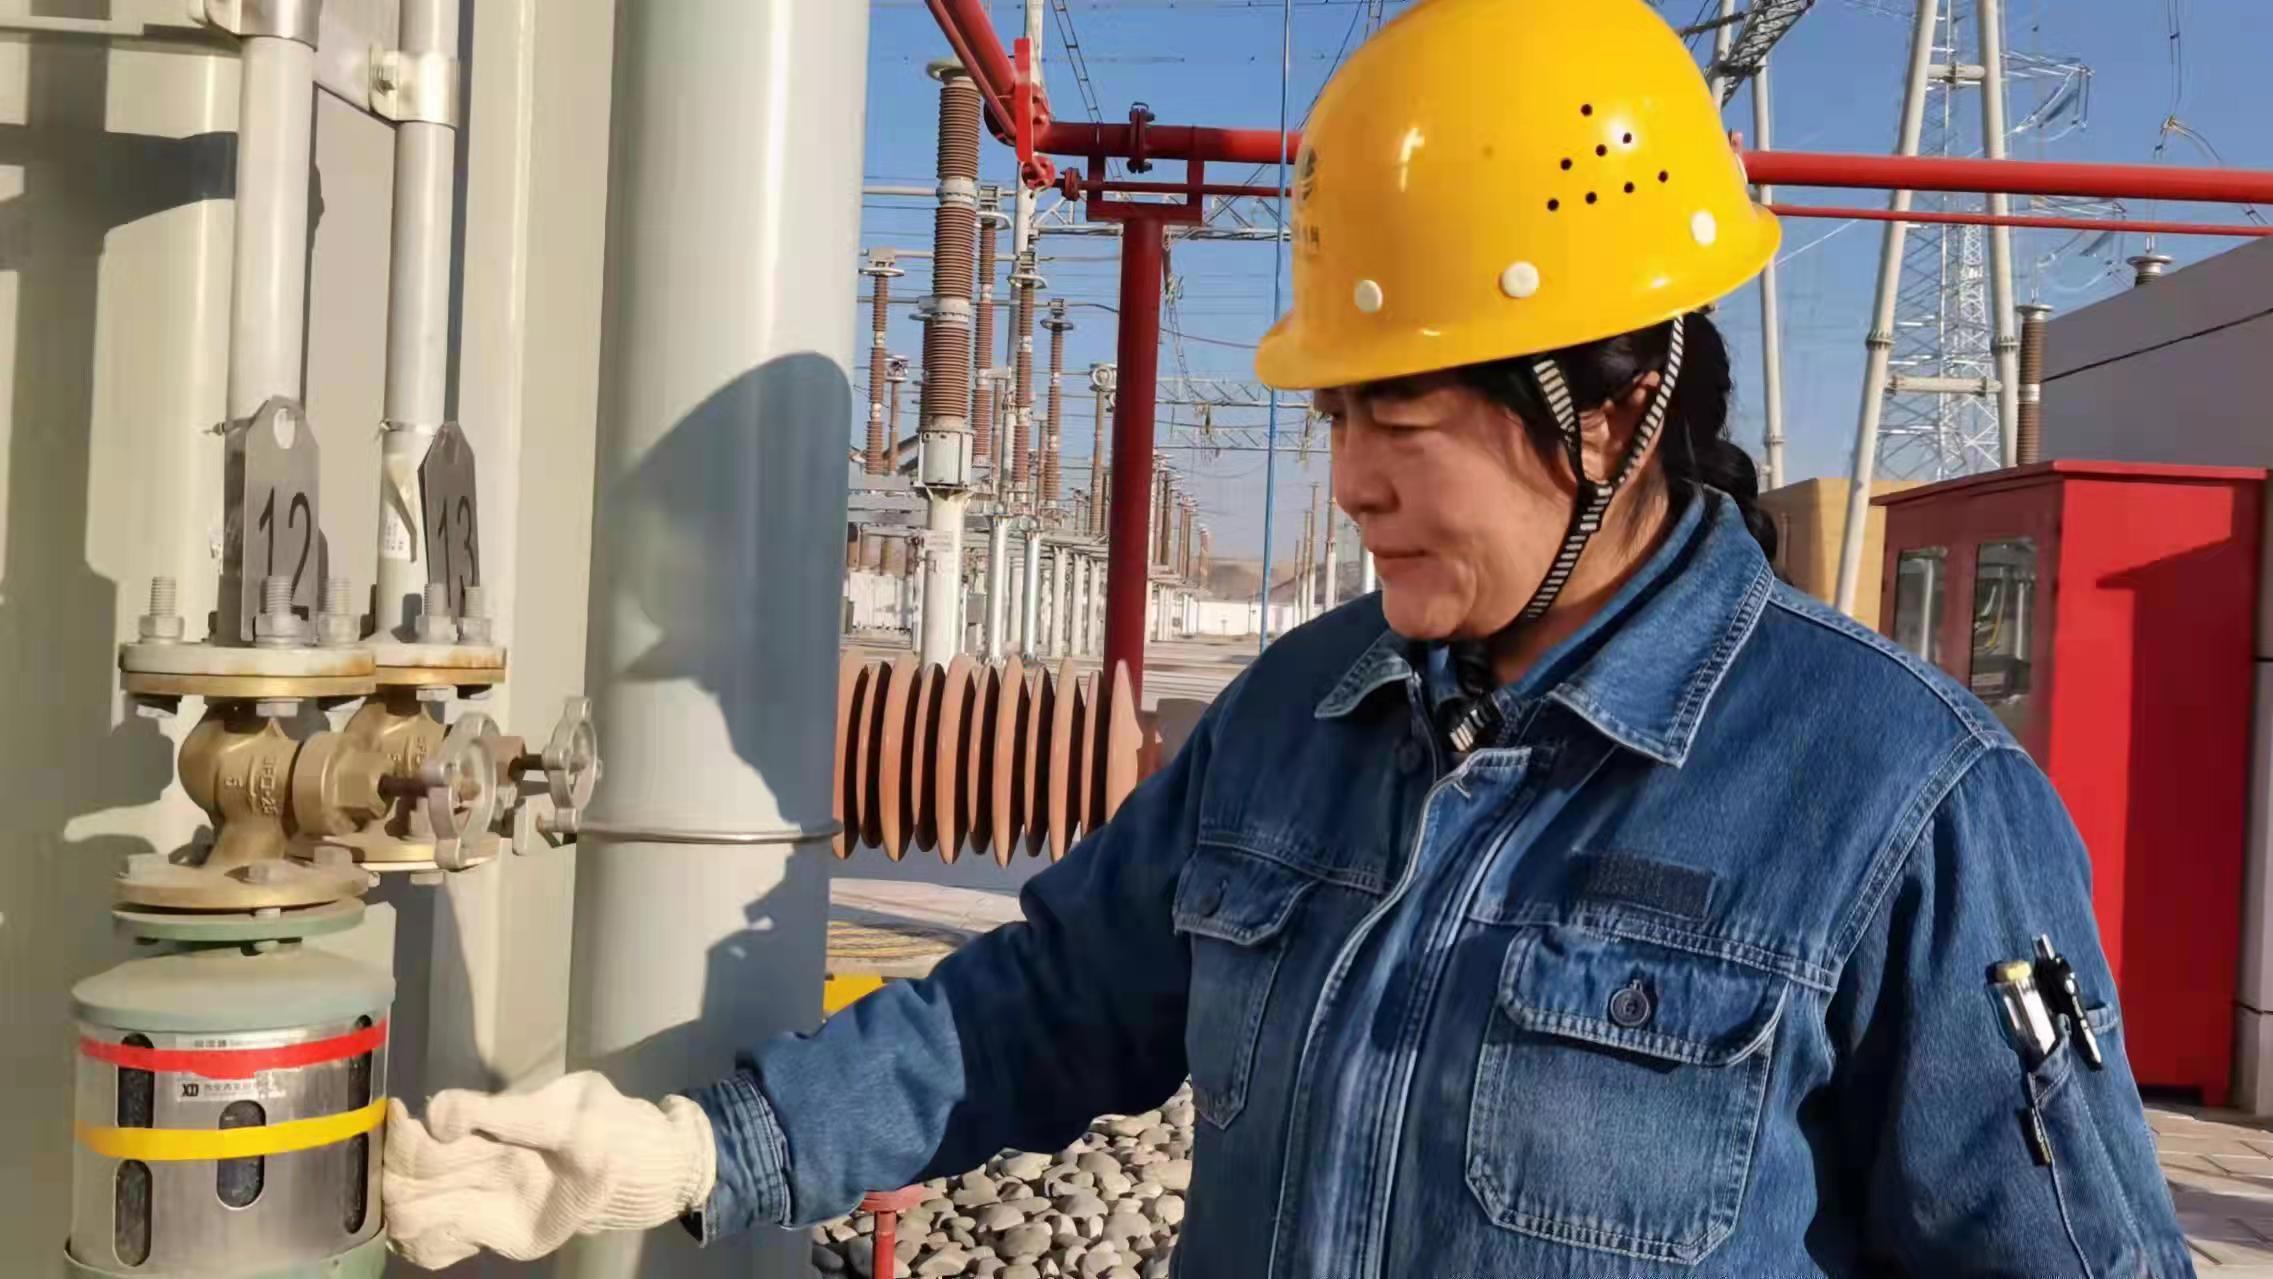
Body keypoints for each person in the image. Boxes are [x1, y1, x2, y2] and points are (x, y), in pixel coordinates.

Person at [385, 0, 2195, 1274]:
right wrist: (696, 1149)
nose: (1347, 482)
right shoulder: (1302, 716)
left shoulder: (1900, 807)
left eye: (1396, 420)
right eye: (1331, 417)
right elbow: (1046, 1007)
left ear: (1607, 410)